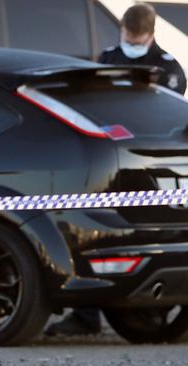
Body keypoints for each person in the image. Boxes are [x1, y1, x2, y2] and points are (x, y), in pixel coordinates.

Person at [46, 3, 186, 337]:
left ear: (150, 35)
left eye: (136, 37)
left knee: (148, 237)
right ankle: (87, 313)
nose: (131, 41)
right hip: (109, 155)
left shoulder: (166, 67)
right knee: (95, 231)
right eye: (127, 35)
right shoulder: (109, 60)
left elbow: (166, 109)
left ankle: (150, 309)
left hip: (148, 160)